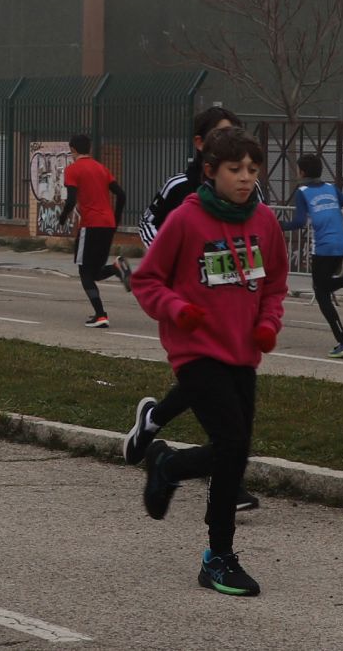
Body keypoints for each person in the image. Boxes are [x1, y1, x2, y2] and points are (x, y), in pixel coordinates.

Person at [129, 128, 288, 597]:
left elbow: (275, 284)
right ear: (211, 171)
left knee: (234, 452)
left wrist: (268, 324)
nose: (245, 179)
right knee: (233, 446)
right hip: (195, 351)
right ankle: (218, 558)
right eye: (235, 170)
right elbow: (147, 282)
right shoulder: (186, 220)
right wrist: (178, 310)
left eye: (252, 170)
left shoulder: (264, 222)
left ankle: (166, 466)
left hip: (243, 353)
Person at [123, 105, 259, 513]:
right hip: (187, 316)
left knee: (220, 403)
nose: (243, 170)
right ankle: (222, 481)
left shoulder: (250, 191)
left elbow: (257, 241)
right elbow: (149, 225)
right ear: (202, 146)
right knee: (214, 399)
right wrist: (171, 261)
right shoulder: (179, 187)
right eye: (221, 136)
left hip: (233, 322)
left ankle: (154, 422)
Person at [279, 154, 343, 359]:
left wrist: (278, 225)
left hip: (322, 248)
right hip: (340, 246)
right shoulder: (331, 188)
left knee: (321, 294)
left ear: (302, 172)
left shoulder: (302, 192)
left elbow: (300, 223)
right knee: (322, 287)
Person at [58, 133, 126, 328]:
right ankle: (117, 268)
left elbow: (71, 201)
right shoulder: (102, 168)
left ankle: (101, 315)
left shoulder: (73, 170)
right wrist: (117, 218)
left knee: (84, 272)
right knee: (95, 272)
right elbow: (121, 194)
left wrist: (62, 219)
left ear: (73, 149)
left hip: (90, 225)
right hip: (108, 225)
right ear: (89, 149)